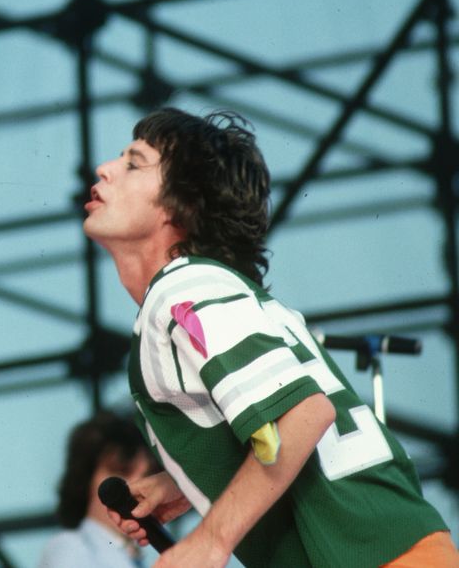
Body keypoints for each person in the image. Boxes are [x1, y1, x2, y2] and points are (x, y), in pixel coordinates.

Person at [82, 107, 457, 568]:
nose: (105, 168)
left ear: (182, 206)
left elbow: (302, 414)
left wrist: (210, 540)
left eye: (134, 163)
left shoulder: (182, 290)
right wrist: (181, 482)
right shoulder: (214, 290)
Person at [38, 411, 154, 568]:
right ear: (85, 479)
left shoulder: (135, 556)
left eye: (147, 476)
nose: (137, 486)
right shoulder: (70, 547)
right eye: (122, 471)